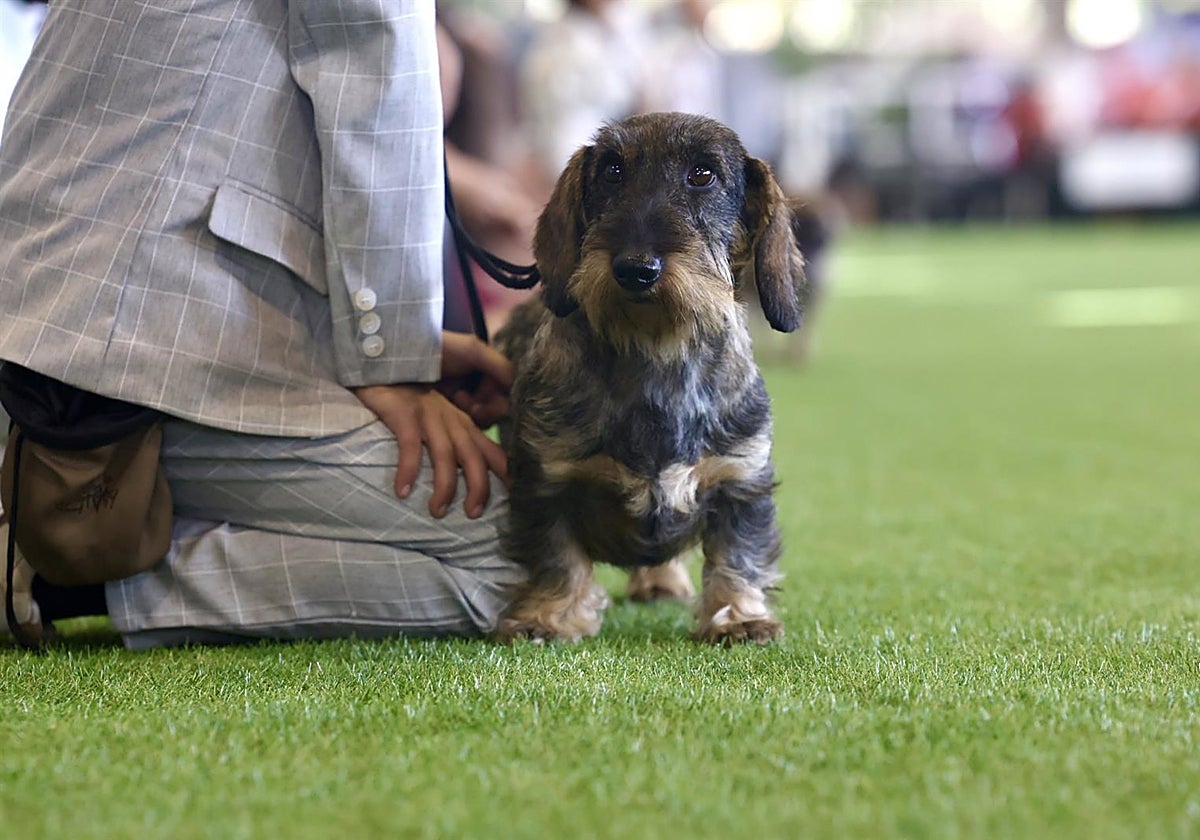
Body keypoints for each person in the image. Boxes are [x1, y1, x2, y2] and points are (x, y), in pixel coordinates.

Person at [0, 1, 525, 647]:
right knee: (525, 557)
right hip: (143, 324)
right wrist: (393, 357)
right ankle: (59, 564)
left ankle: (65, 548)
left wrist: (374, 342)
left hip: (79, 294)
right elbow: (372, 61)